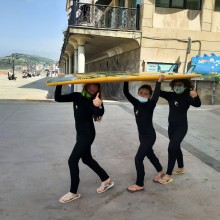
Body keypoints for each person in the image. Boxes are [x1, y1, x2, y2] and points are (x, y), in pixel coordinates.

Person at [55, 83, 114, 203]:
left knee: (72, 160)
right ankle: (106, 179)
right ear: (86, 86)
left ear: (98, 88)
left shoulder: (94, 100)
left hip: (87, 135)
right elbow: (58, 98)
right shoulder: (77, 96)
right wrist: (59, 83)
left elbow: (99, 113)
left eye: (95, 86)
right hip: (80, 134)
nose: (93, 88)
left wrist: (100, 105)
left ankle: (73, 192)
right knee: (86, 159)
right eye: (90, 85)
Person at [123, 75, 165, 192]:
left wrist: (159, 82)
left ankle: (139, 183)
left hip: (149, 136)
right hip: (142, 136)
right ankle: (160, 170)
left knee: (138, 159)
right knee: (150, 154)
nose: (142, 95)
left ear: (149, 96)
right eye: (140, 93)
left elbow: (156, 96)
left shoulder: (150, 105)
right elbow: (126, 92)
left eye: (146, 94)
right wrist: (126, 79)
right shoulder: (136, 103)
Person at [158, 78, 201, 184]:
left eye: (180, 85)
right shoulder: (171, 96)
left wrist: (196, 96)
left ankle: (168, 174)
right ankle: (181, 168)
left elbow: (197, 104)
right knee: (176, 147)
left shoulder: (187, 96)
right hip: (171, 127)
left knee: (171, 148)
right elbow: (158, 92)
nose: (177, 87)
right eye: (175, 85)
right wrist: (158, 81)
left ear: (185, 86)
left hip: (181, 127)